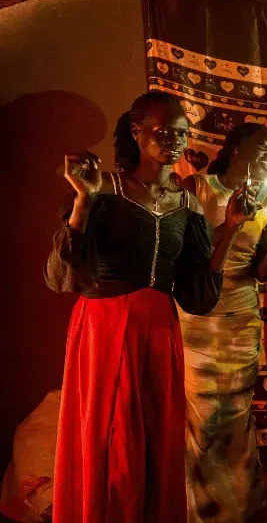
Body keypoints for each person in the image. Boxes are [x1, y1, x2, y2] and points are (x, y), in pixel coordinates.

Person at [44, 91, 247, 523]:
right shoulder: (104, 190)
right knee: (113, 446)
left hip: (159, 334)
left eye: (181, 133)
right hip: (106, 329)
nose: (173, 141)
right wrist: (82, 199)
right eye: (162, 132)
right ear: (136, 132)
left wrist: (228, 230)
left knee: (155, 441)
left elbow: (196, 295)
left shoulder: (188, 206)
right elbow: (63, 277)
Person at [178, 123, 267, 522]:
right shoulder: (197, 187)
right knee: (202, 414)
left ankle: (238, 505)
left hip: (241, 315)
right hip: (198, 312)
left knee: (235, 412)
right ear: (235, 148)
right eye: (263, 147)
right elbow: (186, 255)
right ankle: (201, 508)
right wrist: (230, 223)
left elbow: (263, 271)